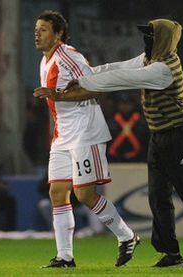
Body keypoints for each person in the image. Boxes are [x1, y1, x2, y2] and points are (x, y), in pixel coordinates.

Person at [35, 18, 183, 267]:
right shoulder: (147, 58)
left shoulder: (164, 67)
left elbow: (123, 78)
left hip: (178, 132)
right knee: (157, 196)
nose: (146, 40)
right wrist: (92, 74)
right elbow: (117, 67)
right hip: (156, 133)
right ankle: (169, 254)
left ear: (162, 39)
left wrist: (70, 89)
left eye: (151, 36)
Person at [33, 10, 139, 268]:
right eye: (36, 29)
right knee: (57, 193)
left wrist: (57, 95)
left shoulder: (68, 55)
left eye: (44, 29)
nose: (37, 33)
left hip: (84, 132)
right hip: (62, 136)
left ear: (58, 34)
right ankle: (65, 256)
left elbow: (96, 87)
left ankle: (127, 237)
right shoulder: (44, 61)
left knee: (84, 194)